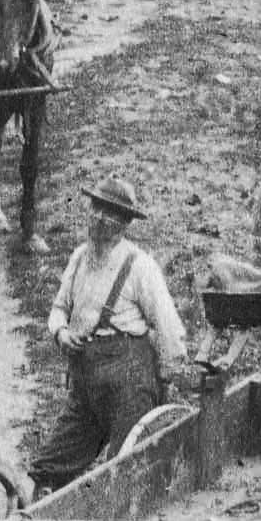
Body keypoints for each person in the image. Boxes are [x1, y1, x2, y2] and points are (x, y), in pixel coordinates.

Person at [34, 178, 192, 483]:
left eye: (111, 214)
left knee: (121, 473)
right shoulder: (80, 256)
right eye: (96, 209)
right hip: (86, 381)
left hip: (128, 382)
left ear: (124, 224)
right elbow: (58, 309)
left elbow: (169, 328)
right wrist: (61, 334)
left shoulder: (140, 266)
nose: (100, 219)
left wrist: (171, 376)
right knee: (48, 466)